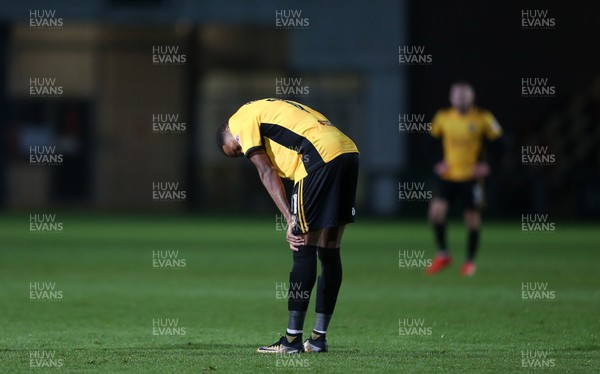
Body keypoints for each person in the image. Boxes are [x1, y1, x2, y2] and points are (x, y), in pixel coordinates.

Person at [216, 98, 359, 353]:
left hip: (317, 157)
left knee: (301, 244)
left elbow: (266, 171)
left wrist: (290, 218)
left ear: (231, 133)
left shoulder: (242, 119)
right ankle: (318, 339)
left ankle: (292, 341)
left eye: (235, 150)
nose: (242, 154)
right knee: (329, 249)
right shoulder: (269, 108)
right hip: (347, 152)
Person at [426, 82, 502, 276]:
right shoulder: (443, 117)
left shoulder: (483, 118)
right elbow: (432, 142)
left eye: (464, 95)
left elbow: (500, 144)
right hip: (449, 176)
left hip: (471, 177)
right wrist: (438, 162)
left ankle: (470, 261)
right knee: (435, 214)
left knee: (472, 219)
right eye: (457, 95)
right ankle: (443, 254)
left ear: (472, 97)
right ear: (451, 98)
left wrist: (487, 165)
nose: (460, 98)